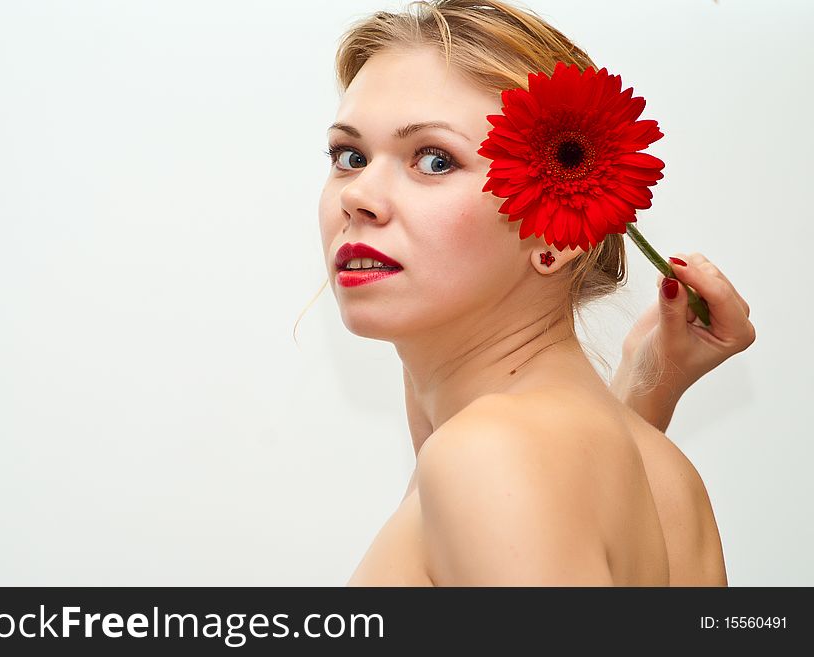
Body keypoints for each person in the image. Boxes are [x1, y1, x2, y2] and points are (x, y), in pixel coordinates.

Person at [317, 0, 756, 585]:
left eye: (435, 159)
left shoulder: (486, 458)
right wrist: (645, 386)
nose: (358, 195)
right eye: (350, 156)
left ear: (555, 230)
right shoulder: (662, 471)